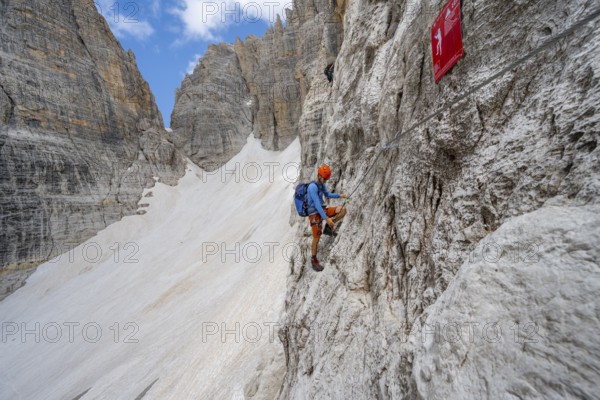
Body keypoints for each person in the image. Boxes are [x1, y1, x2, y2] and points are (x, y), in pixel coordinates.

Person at [307, 164, 347, 271]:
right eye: (324, 178)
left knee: (342, 210)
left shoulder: (321, 185)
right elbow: (316, 204)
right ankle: (314, 260)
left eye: (327, 179)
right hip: (314, 214)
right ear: (319, 175)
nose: (325, 181)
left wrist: (340, 195)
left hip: (322, 210)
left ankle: (328, 228)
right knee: (316, 238)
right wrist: (327, 218)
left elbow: (328, 194)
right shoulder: (312, 187)